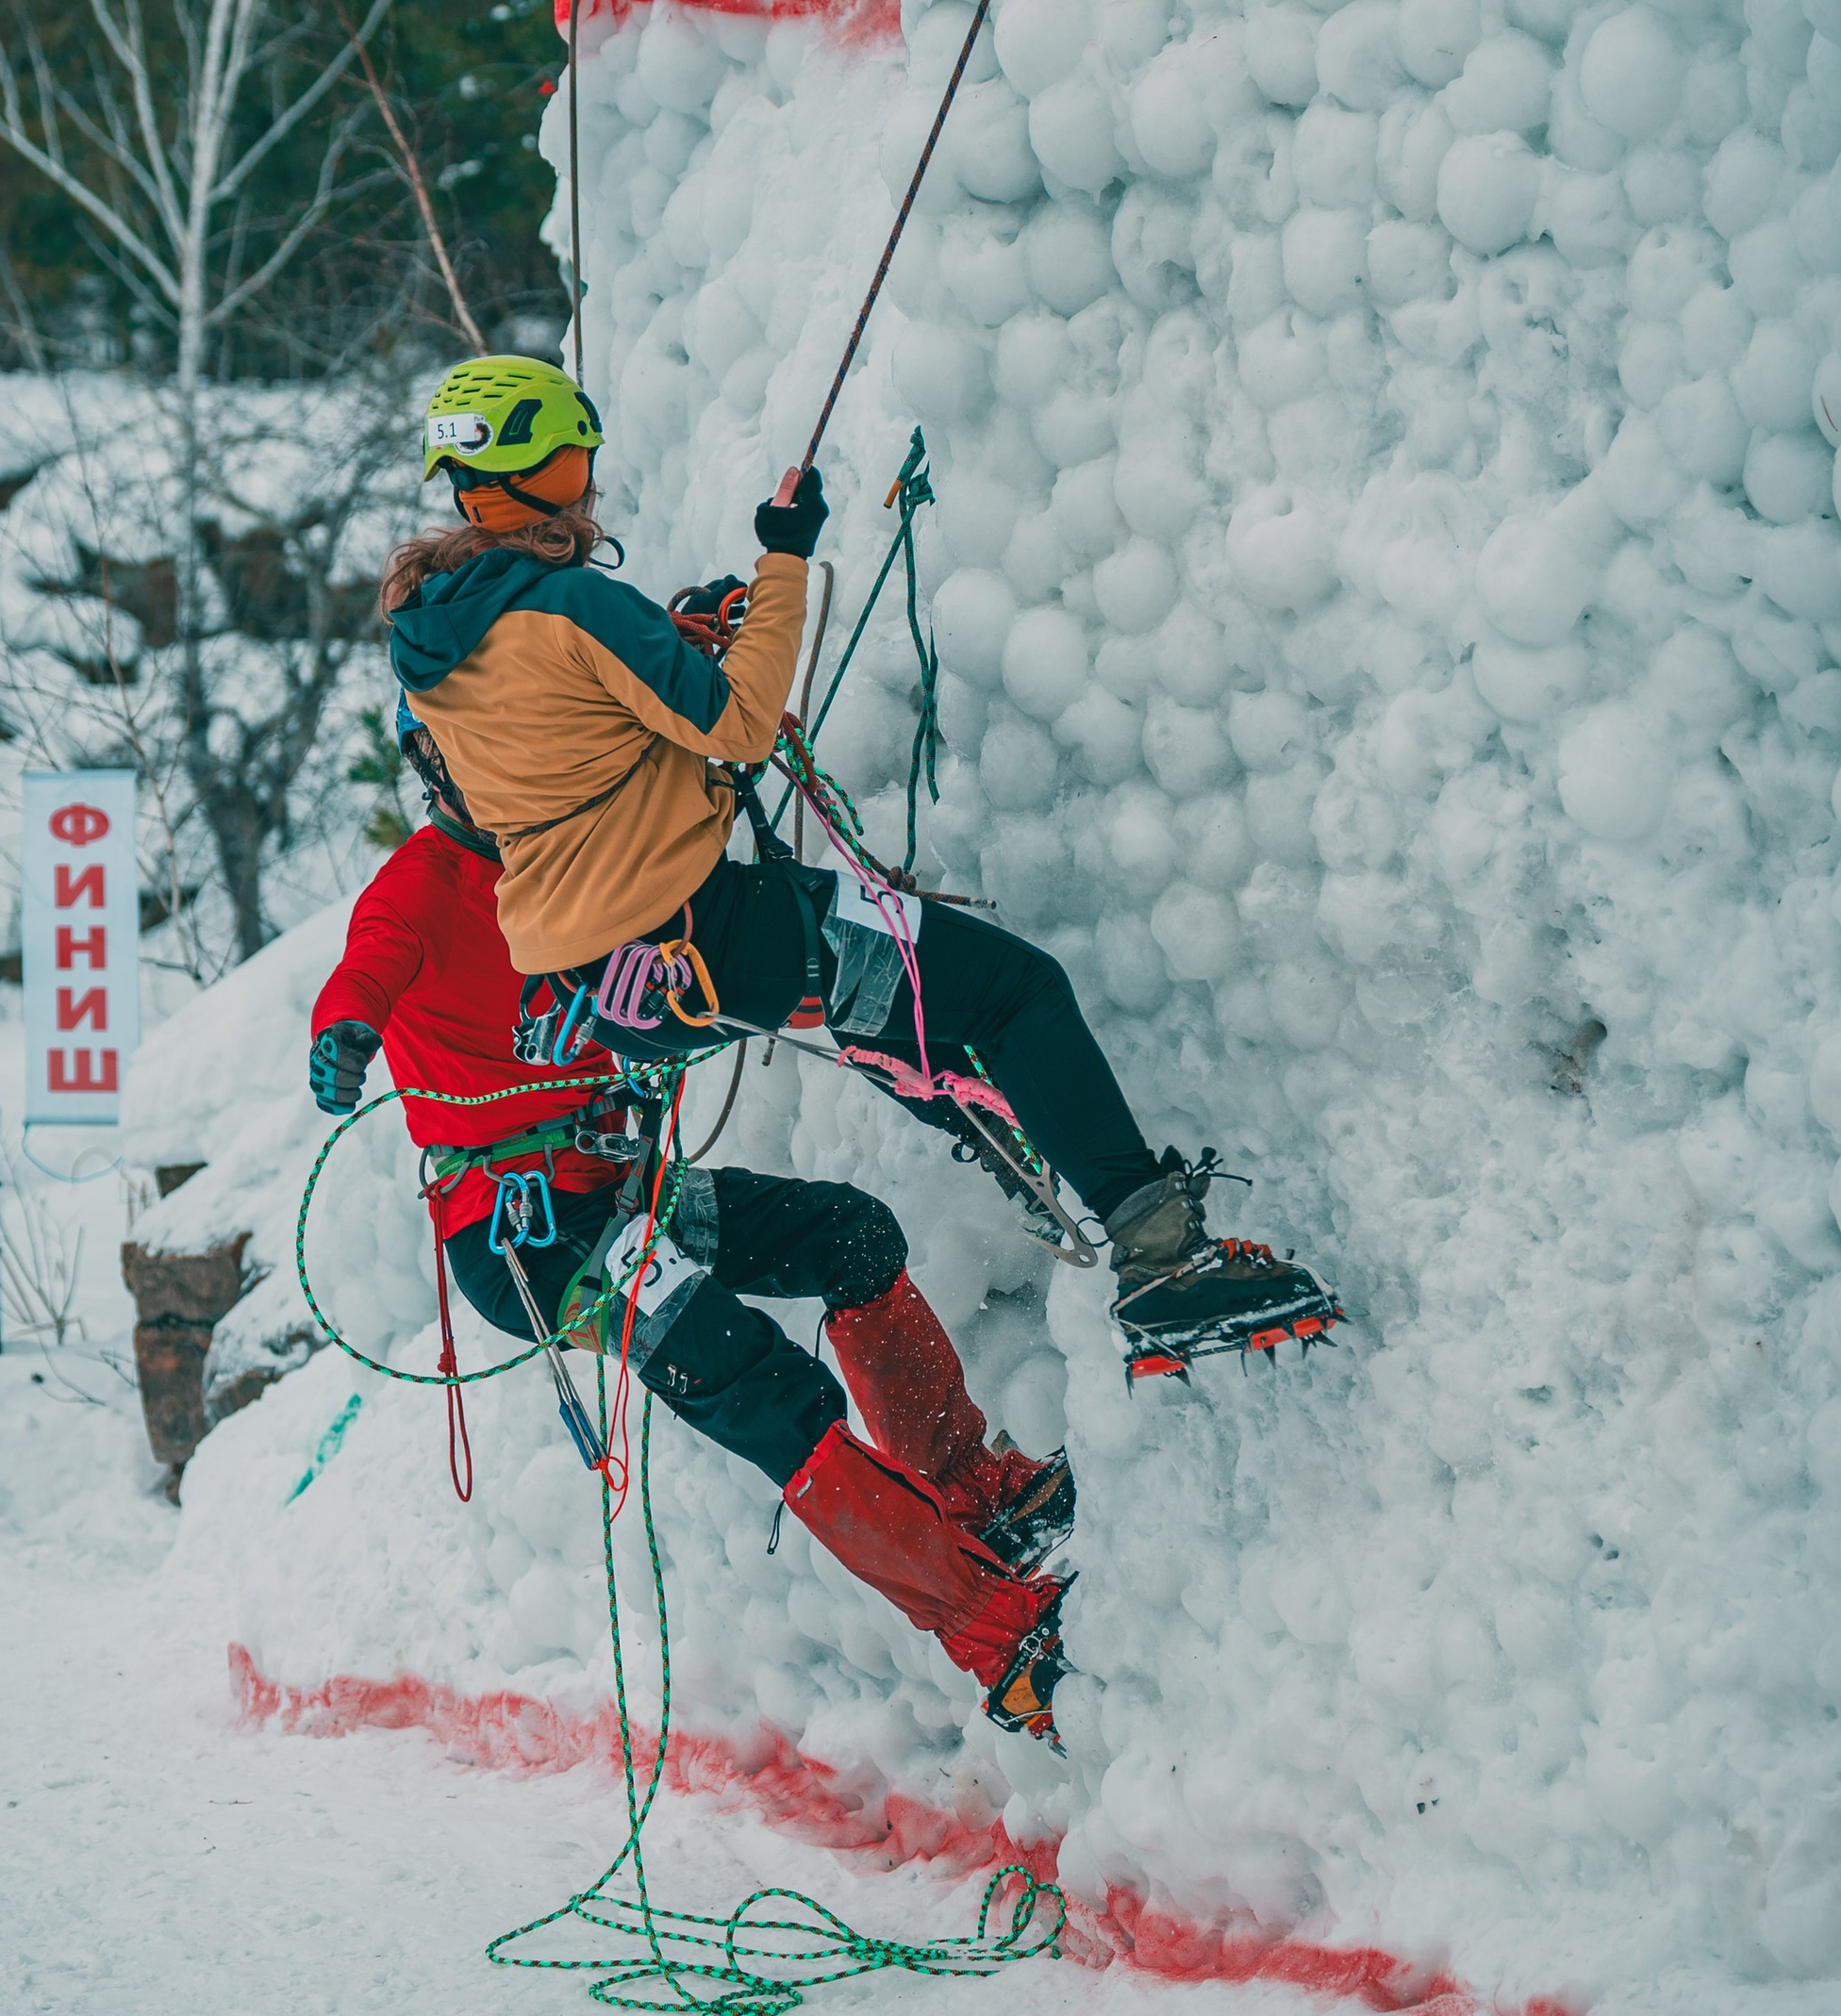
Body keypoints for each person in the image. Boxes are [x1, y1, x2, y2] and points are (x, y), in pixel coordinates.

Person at [382, 352, 1343, 1382]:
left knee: (900, 991)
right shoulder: (573, 606)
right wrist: (782, 559)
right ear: (545, 471)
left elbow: (554, 734)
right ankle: (1166, 1268)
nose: (588, 470)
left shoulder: (430, 639)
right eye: (577, 454)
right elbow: (742, 725)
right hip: (709, 937)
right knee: (1016, 993)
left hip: (607, 988)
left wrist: (663, 641)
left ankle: (982, 1107)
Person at [306, 707, 1078, 1739]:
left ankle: (971, 1489)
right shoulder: (417, 888)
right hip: (530, 1239)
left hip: (624, 1194)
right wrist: (347, 1030)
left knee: (852, 1237)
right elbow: (365, 969)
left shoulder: (569, 856)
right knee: (768, 1389)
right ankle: (994, 1633)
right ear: (429, 765)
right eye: (466, 750)